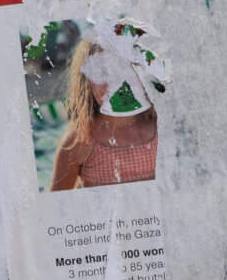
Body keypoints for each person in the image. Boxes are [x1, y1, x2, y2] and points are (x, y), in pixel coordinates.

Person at [45, 18, 165, 191]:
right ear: (87, 81)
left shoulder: (164, 129)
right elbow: (57, 208)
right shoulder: (78, 143)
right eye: (103, 72)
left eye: (127, 70)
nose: (117, 84)